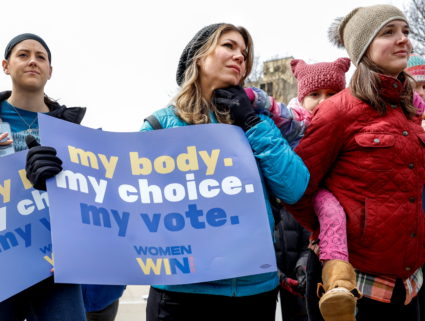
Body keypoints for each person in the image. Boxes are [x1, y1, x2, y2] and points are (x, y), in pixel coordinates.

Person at [140, 23, 310, 321]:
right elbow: (132, 197)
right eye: (229, 46)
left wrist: (250, 122)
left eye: (244, 52)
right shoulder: (161, 125)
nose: (240, 57)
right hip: (181, 293)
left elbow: (294, 187)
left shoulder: (257, 122)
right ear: (199, 57)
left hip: (252, 292)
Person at [285, 4, 425, 321]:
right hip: (354, 289)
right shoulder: (337, 110)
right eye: (389, 32)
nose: (403, 39)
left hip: (409, 284)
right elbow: (296, 188)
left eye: (406, 31)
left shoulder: (412, 111)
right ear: (363, 47)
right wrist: (337, 230)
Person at [246, 57, 352, 321]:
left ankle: (336, 281)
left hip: (332, 195)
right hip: (301, 201)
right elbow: (274, 109)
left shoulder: (350, 120)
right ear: (302, 98)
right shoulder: (298, 121)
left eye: (332, 94)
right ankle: (336, 276)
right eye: (315, 94)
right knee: (332, 215)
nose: (324, 101)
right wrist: (252, 96)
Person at [0, 33, 87, 320]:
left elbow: (91, 196)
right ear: (6, 66)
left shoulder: (74, 132)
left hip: (56, 263)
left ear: (50, 70)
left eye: (41, 57)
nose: (33, 61)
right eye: (23, 55)